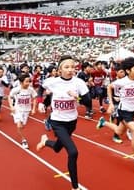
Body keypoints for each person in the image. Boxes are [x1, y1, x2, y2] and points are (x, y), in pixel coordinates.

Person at [36, 55, 92, 190]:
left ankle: (45, 142)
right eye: (67, 67)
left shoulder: (79, 83)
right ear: (59, 69)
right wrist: (40, 103)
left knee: (57, 148)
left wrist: (76, 97)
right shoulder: (52, 82)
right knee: (73, 152)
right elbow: (40, 89)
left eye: (73, 67)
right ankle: (75, 187)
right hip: (57, 122)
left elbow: (88, 103)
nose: (70, 69)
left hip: (72, 122)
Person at [96, 57, 134, 173]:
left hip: (133, 110)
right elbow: (109, 87)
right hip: (124, 111)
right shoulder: (122, 82)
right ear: (127, 71)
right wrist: (110, 104)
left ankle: (103, 122)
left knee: (119, 131)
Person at [8, 73, 37, 149]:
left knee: (22, 126)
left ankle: (20, 132)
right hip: (18, 109)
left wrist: (34, 108)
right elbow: (9, 97)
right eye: (26, 81)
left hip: (26, 110)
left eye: (29, 81)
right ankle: (23, 140)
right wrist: (11, 106)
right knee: (19, 125)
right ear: (21, 82)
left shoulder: (30, 90)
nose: (28, 83)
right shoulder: (16, 90)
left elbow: (35, 98)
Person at [108, 62, 126, 143]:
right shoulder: (114, 81)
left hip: (123, 102)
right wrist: (112, 100)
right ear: (116, 72)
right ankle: (116, 136)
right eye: (121, 72)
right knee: (119, 119)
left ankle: (112, 116)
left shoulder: (126, 81)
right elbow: (109, 90)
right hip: (116, 102)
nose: (123, 73)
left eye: (124, 72)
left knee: (120, 119)